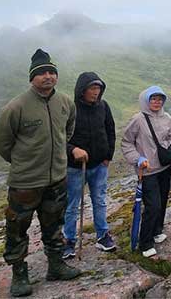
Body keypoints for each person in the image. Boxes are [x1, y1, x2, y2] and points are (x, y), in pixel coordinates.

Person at [0, 49, 80, 297]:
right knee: (17, 230)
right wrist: (21, 161)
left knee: (54, 225)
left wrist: (58, 156)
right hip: (25, 183)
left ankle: (56, 266)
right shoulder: (16, 106)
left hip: (57, 179)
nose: (48, 77)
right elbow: (1, 142)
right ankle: (19, 275)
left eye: (52, 72)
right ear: (32, 78)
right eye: (42, 73)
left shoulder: (65, 102)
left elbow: (68, 130)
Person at [62, 71, 117, 259]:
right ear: (82, 90)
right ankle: (68, 240)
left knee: (100, 200)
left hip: (99, 165)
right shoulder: (70, 109)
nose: (95, 92)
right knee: (72, 205)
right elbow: (60, 137)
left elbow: (110, 130)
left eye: (98, 88)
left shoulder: (103, 106)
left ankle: (102, 235)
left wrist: (108, 155)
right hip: (76, 167)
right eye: (92, 88)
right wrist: (72, 150)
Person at [121, 85, 171, 258]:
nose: (157, 102)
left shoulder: (167, 117)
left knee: (162, 202)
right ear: (146, 100)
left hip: (164, 167)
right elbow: (126, 142)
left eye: (160, 99)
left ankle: (157, 230)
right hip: (147, 170)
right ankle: (145, 242)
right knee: (152, 206)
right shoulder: (138, 119)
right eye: (153, 99)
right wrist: (136, 158)